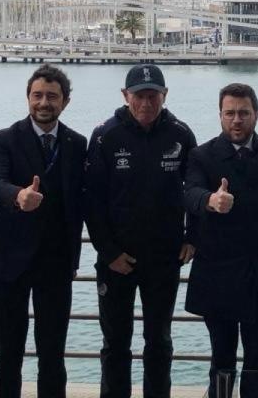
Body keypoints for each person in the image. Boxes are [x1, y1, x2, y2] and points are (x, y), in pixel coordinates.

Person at [84, 64, 197, 398]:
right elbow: (91, 200)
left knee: (159, 341)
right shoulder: (105, 135)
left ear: (164, 96)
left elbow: (197, 188)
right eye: (139, 96)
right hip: (117, 259)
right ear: (125, 96)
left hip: (163, 259)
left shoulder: (180, 134)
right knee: (115, 343)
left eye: (153, 96)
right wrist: (108, 252)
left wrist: (193, 237)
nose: (146, 103)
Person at [0, 64, 87, 398]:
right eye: (37, 95)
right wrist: (17, 195)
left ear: (65, 102)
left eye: (52, 96)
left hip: (56, 263)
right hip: (10, 262)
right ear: (27, 97)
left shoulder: (77, 143)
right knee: (8, 354)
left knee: (53, 355)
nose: (43, 102)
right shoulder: (4, 139)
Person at [184, 83, 258, 398]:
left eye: (244, 113)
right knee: (222, 357)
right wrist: (210, 201)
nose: (237, 120)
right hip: (219, 271)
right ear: (220, 115)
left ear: (256, 114)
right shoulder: (201, 155)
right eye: (230, 113)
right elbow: (188, 193)